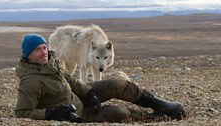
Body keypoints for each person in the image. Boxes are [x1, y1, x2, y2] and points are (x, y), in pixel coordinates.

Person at [15, 34, 186, 123]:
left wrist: (89, 93)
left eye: (44, 47)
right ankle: (151, 116)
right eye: (38, 49)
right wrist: (51, 113)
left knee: (117, 84)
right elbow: (22, 112)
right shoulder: (29, 82)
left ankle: (160, 105)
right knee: (120, 113)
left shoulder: (51, 64)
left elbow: (71, 80)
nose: (44, 52)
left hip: (80, 96)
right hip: (76, 113)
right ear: (28, 54)